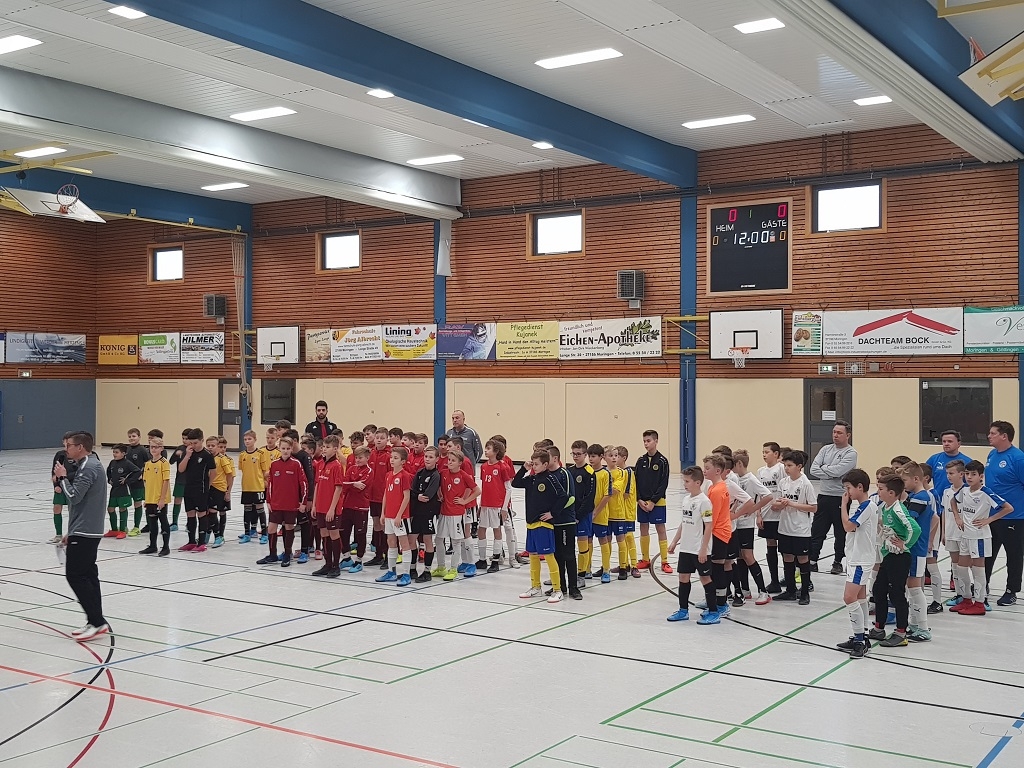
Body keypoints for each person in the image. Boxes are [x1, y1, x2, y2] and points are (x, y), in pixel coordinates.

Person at [54, 431, 109, 641]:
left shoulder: (89, 467)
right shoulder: (88, 465)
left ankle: (97, 621)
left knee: (75, 575)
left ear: (80, 447)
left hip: (86, 531)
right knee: (89, 575)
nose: (66, 449)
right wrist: (72, 530)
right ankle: (95, 620)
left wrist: (62, 477)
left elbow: (74, 497)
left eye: (69, 445)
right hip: (84, 529)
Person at [953, 460, 1013, 615]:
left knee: (978, 569)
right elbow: (953, 501)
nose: (969, 477)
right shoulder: (964, 490)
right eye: (967, 474)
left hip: (979, 537)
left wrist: (989, 520)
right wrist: (957, 517)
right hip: (965, 535)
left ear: (981, 476)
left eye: (973, 474)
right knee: (961, 569)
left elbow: (1008, 508)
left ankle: (980, 603)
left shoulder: (986, 493)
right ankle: (966, 599)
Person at [869, 474, 921, 647]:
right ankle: (879, 628)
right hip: (888, 555)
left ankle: (901, 633)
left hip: (900, 557)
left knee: (897, 594)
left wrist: (904, 544)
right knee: (879, 590)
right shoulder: (886, 507)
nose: (878, 491)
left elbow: (915, 528)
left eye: (880, 489)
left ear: (891, 492)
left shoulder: (898, 509)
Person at [513, 449, 568, 604]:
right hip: (531, 523)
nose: (534, 467)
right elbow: (515, 483)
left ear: (545, 464)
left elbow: (563, 496)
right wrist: (523, 468)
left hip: (544, 524)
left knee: (549, 556)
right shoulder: (531, 479)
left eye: (536, 464)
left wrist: (553, 513)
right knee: (533, 556)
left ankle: (557, 590)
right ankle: (535, 587)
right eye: (533, 464)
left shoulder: (550, 479)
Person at [836, 468, 878, 658]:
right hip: (857, 557)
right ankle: (862, 635)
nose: (847, 492)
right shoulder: (864, 506)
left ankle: (859, 641)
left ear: (860, 487)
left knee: (849, 597)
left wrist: (843, 506)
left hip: (860, 559)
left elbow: (847, 526)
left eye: (849, 488)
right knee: (860, 598)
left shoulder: (866, 506)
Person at [667, 466, 717, 624]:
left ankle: (714, 611)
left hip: (699, 549)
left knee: (705, 578)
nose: (684, 484)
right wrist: (674, 541)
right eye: (684, 481)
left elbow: (708, 526)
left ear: (698, 483)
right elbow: (684, 522)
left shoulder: (704, 502)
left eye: (687, 481)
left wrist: (703, 549)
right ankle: (683, 610)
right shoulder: (686, 500)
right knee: (683, 577)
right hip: (686, 548)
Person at [809, 421, 858, 575]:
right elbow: (813, 469)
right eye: (834, 432)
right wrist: (831, 473)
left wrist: (825, 469)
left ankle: (837, 562)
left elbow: (839, 471)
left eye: (839, 433)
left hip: (840, 497)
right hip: (824, 495)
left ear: (848, 435)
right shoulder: (825, 449)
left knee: (840, 532)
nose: (835, 435)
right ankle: (812, 560)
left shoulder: (851, 453)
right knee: (817, 530)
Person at [984, 420, 1024, 606]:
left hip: (1014, 517)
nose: (989, 436)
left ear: (1004, 436)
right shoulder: (992, 454)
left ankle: (1011, 591)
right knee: (987, 553)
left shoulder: (1018, 458)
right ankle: (982, 585)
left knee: (1013, 556)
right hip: (992, 515)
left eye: (993, 433)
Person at [773, 450, 818, 605]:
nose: (786, 468)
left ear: (799, 466)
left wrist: (792, 504)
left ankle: (804, 592)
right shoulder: (783, 482)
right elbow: (776, 503)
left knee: (803, 559)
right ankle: (790, 590)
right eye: (785, 465)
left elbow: (813, 507)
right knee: (787, 557)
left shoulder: (805, 484)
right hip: (784, 527)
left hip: (800, 530)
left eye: (790, 465)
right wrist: (778, 505)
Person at [899, 462, 935, 642]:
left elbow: (908, 522)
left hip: (916, 548)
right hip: (913, 547)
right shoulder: (917, 496)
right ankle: (914, 624)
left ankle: (923, 628)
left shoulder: (920, 498)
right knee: (911, 587)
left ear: (916, 479)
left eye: (905, 480)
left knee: (915, 588)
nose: (903, 484)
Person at [258, 436, 307, 568]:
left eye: (288, 448)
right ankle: (272, 554)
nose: (285, 451)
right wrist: (268, 501)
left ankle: (287, 554)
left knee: (289, 527)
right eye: (283, 448)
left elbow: (303, 484)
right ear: (279, 448)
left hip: (291, 504)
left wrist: (303, 502)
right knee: (271, 528)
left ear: (291, 449)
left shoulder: (296, 464)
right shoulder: (274, 464)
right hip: (276, 503)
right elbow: (270, 484)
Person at [437, 449, 480, 580]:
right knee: (438, 539)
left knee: (456, 541)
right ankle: (441, 567)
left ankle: (454, 569)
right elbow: (438, 485)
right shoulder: (443, 473)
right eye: (449, 460)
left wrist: (464, 501)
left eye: (453, 460)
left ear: (460, 463)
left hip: (457, 514)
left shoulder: (463, 475)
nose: (449, 462)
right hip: (444, 512)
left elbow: (477, 490)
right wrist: (439, 494)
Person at [376, 447, 415, 586]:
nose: (392, 460)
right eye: (391, 457)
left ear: (403, 461)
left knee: (404, 544)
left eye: (396, 458)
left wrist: (399, 515)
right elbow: (386, 494)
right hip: (389, 516)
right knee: (391, 543)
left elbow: (406, 497)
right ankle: (391, 572)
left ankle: (406, 574)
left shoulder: (404, 476)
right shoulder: (388, 475)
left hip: (401, 517)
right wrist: (383, 513)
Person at [634, 429, 672, 574]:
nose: (646, 443)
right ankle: (645, 559)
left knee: (660, 529)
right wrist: (639, 499)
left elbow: (664, 483)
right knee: (643, 528)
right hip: (642, 502)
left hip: (657, 502)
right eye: (644, 441)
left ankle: (664, 561)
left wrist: (653, 501)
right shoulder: (640, 460)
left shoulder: (662, 461)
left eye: (648, 441)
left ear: (656, 441)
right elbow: (636, 481)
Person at [477, 439, 514, 573]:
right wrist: (481, 505)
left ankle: (495, 561)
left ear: (496, 451)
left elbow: (508, 489)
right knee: (481, 530)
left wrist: (504, 508)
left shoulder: (502, 467)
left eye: (489, 448)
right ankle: (482, 559)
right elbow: (485, 487)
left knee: (496, 531)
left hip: (497, 506)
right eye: (486, 448)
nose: (486, 451)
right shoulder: (483, 466)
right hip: (485, 505)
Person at [312, 435, 346, 578]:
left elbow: (338, 488)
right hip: (320, 506)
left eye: (328, 447)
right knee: (324, 534)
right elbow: (317, 485)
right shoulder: (320, 464)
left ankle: (336, 566)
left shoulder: (337, 466)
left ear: (335, 449)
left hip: (331, 508)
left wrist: (332, 509)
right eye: (323, 447)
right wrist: (314, 505)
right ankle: (327, 564)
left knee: (334, 534)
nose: (324, 449)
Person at [178, 429, 217, 552]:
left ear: (202, 441)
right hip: (188, 488)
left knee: (201, 514)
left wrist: (208, 486)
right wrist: (187, 456)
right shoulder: (188, 452)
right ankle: (191, 541)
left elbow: (213, 472)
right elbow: (181, 469)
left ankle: (201, 543)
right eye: (191, 443)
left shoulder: (207, 455)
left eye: (195, 443)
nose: (193, 445)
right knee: (190, 513)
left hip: (201, 489)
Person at [340, 445, 372, 573]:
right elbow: (343, 485)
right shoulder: (351, 468)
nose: (357, 460)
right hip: (347, 506)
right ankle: (346, 558)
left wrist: (350, 485)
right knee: (343, 532)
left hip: (361, 508)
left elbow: (361, 487)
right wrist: (353, 483)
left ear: (367, 458)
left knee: (360, 535)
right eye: (356, 457)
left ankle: (359, 561)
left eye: (360, 458)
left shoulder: (369, 471)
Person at [411, 446, 442, 582]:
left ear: (437, 459)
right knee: (411, 539)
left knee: (427, 539)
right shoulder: (419, 473)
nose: (427, 459)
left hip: (429, 512)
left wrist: (418, 496)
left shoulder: (436, 475)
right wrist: (417, 496)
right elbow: (412, 491)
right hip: (417, 511)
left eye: (431, 457)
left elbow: (428, 495)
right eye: (426, 457)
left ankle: (427, 571)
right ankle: (412, 569)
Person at [139, 437, 172, 557]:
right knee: (152, 523)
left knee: (163, 521)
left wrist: (162, 499)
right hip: (150, 499)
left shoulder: (164, 463)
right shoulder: (148, 464)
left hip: (160, 498)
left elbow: (165, 481)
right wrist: (146, 498)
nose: (153, 449)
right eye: (151, 447)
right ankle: (153, 546)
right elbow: (146, 482)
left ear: (161, 448)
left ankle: (166, 547)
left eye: (156, 447)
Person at [570, 440, 596, 587]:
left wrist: (578, 516)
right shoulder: (569, 471)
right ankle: (566, 575)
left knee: (582, 545)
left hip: (583, 515)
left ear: (585, 455)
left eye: (578, 454)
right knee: (567, 546)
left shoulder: (589, 472)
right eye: (573, 454)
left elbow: (589, 497)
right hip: (570, 515)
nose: (575, 456)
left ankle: (582, 574)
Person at [237, 430, 270, 544]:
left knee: (260, 509)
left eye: (249, 439)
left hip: (258, 487)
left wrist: (265, 482)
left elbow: (265, 471)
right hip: (246, 487)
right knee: (247, 510)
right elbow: (242, 469)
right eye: (245, 439)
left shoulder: (260, 454)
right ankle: (247, 534)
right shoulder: (242, 455)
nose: (247, 441)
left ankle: (264, 534)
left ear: (255, 440)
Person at [367, 428, 392, 566]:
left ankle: (388, 556)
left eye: (382, 438)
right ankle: (378, 555)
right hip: (372, 496)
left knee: (385, 527)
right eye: (377, 438)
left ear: (387, 439)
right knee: (376, 524)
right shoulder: (370, 454)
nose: (379, 440)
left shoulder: (389, 456)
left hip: (384, 497)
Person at [105, 443, 140, 540]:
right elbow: (108, 471)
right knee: (110, 508)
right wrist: (109, 479)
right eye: (113, 452)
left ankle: (123, 530)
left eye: (116, 452)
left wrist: (128, 480)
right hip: (114, 489)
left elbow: (137, 471)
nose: (114, 454)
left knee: (122, 508)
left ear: (123, 453)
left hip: (123, 490)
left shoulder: (127, 463)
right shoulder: (112, 462)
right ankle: (114, 530)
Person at [926, 430, 971, 500]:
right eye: (944, 441)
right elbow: (923, 478)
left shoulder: (967, 462)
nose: (946, 444)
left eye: (950, 441)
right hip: (938, 501)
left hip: (960, 501)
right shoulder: (934, 459)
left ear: (958, 443)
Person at [49, 431, 76, 543]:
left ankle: (72, 533)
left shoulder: (77, 455)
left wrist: (65, 476)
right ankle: (58, 534)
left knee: (72, 510)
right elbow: (54, 471)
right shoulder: (60, 454)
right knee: (56, 508)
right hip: (60, 485)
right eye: (66, 442)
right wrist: (56, 485)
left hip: (72, 486)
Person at [124, 428, 150, 537]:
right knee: (124, 504)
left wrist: (142, 474)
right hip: (127, 481)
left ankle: (136, 527)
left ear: (139, 437)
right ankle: (123, 527)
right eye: (129, 436)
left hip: (138, 482)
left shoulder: (142, 450)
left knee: (137, 503)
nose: (131, 438)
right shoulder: (126, 449)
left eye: (134, 436)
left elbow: (148, 463)